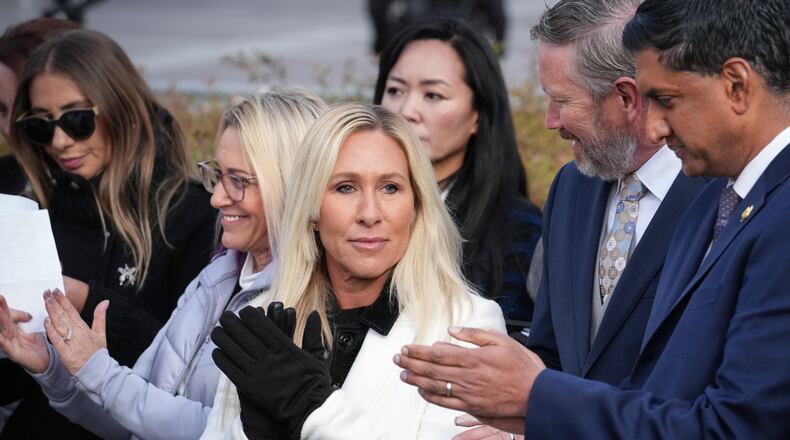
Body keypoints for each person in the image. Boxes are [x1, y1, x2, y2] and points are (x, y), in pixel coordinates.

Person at [395, 0, 790, 438]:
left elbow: (729, 420)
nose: (656, 126)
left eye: (665, 100)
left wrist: (537, 398)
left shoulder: (731, 201)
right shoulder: (576, 187)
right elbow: (556, 354)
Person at [0, 89, 327, 439]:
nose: (216, 198)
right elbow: (130, 417)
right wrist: (52, 367)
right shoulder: (217, 276)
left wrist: (99, 372)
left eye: (238, 180)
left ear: (293, 184)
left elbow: (223, 431)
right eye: (218, 175)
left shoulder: (306, 305)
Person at [201, 103, 506, 439]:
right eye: (346, 187)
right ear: (311, 208)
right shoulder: (261, 322)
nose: (370, 214)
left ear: (417, 205)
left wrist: (312, 408)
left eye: (390, 187)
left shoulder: (465, 328)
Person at [1, 29, 217, 438]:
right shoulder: (31, 212)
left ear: (122, 109)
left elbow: (185, 373)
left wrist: (83, 299)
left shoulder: (192, 215)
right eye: (41, 126)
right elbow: (15, 386)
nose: (60, 141)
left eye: (78, 120)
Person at [374, 20, 541, 331]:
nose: (406, 110)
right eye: (394, 90)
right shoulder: (348, 207)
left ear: (478, 114)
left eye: (433, 95)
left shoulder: (517, 228)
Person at [0, 17, 79, 195]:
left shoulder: (139, 191)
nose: (8, 129)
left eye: (28, 110)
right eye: (1, 109)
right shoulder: (5, 179)